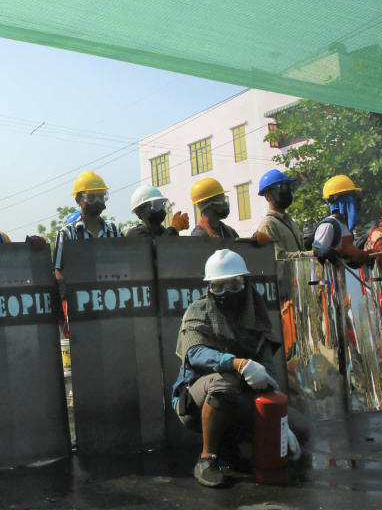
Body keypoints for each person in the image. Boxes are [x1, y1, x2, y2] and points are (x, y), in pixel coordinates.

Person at [171, 249, 301, 487]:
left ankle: (232, 449)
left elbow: (268, 372)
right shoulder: (199, 311)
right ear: (209, 288)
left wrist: (282, 422)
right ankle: (207, 458)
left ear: (245, 283)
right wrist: (238, 363)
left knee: (302, 429)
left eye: (233, 284)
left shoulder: (254, 313)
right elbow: (195, 353)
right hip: (194, 402)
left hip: (241, 397)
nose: (225, 293)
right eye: (217, 287)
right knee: (225, 384)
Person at [53, 171, 122, 283]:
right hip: (80, 297)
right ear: (78, 200)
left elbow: (125, 266)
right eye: (91, 197)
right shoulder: (67, 234)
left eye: (101, 196)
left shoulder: (115, 232)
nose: (97, 201)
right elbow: (59, 272)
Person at [311, 175, 370, 266]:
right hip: (332, 279)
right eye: (354, 198)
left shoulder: (345, 226)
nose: (357, 203)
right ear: (343, 201)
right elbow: (316, 260)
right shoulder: (328, 226)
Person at [255, 169, 309, 258]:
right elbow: (278, 257)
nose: (286, 191)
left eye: (287, 186)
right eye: (280, 187)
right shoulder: (268, 224)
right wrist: (312, 254)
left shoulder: (289, 221)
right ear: (268, 196)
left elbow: (301, 251)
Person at [124, 184, 189, 237]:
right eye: (156, 205)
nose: (161, 209)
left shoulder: (162, 231)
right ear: (140, 211)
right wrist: (174, 228)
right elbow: (159, 249)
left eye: (162, 204)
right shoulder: (135, 234)